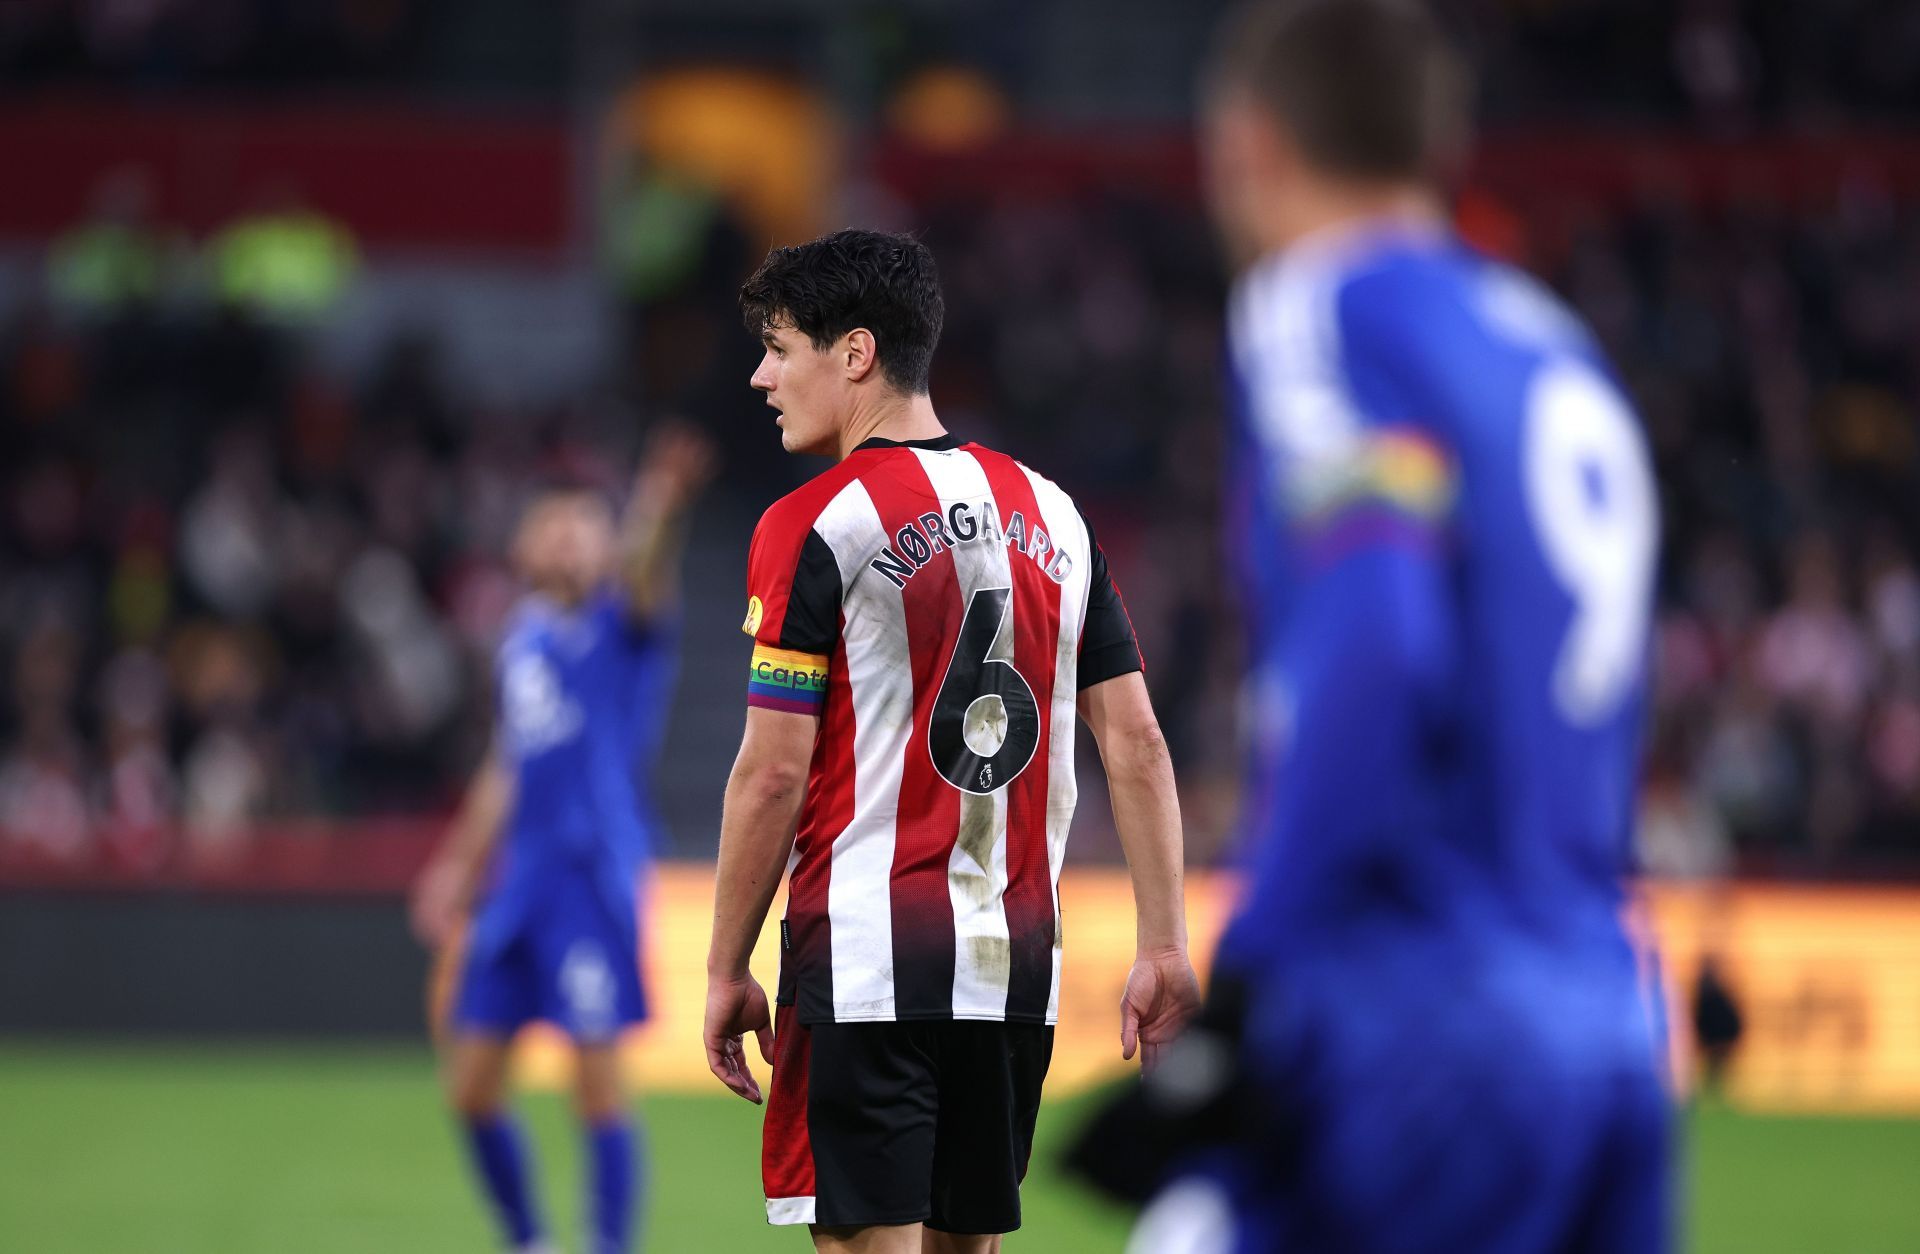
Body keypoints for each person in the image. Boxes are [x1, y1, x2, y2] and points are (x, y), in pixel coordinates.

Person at [1105, 2, 1671, 1250]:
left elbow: (1381, 638)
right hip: (1610, 1019)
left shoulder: (1321, 309)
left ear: (1247, 142)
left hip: (1419, 1022)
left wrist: (1253, 980)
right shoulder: (1549, 348)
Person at [702, 228, 1201, 1253]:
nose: (762, 375)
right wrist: (1163, 943)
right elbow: (1138, 746)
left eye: (781, 347)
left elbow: (770, 776)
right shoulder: (1056, 517)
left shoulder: (812, 523)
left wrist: (724, 964)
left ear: (854, 355)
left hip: (865, 960)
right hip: (1013, 967)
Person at [410, 427, 715, 1254]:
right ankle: (530, 1241)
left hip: (591, 879)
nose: (568, 537)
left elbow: (647, 565)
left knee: (597, 1087)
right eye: (554, 524)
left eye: (586, 524)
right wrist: (455, 868)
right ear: (522, 543)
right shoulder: (524, 636)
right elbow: (508, 765)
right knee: (471, 1087)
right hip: (521, 887)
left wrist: (659, 500)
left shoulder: (625, 625)